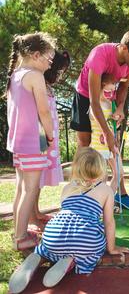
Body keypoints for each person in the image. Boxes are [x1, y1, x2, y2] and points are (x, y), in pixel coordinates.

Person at [8, 147, 129, 294]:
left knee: (47, 247)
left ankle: (39, 257)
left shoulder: (68, 188)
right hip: (84, 239)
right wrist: (112, 248)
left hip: (53, 234)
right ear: (101, 169)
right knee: (95, 242)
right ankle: (72, 261)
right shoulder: (106, 190)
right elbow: (109, 222)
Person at [70, 29, 129, 210]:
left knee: (113, 146)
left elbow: (123, 88)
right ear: (123, 48)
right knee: (85, 144)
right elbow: (93, 101)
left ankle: (120, 194)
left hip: (108, 100)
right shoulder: (100, 54)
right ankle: (77, 193)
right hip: (85, 96)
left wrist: (120, 107)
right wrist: (107, 132)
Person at [5, 32, 56, 250]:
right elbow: (43, 111)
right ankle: (20, 238)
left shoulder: (16, 74)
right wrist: (50, 134)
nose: (50, 63)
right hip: (34, 142)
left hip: (18, 142)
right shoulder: (35, 76)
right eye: (49, 59)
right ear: (36, 55)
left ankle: (18, 230)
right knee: (30, 190)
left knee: (20, 188)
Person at [29, 50, 71, 232]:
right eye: (60, 71)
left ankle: (36, 212)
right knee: (34, 178)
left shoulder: (47, 85)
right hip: (39, 136)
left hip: (48, 137)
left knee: (41, 176)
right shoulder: (37, 82)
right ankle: (31, 217)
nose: (60, 75)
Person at [89, 73, 129, 209]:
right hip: (99, 146)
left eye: (112, 91)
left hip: (112, 146)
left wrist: (118, 119)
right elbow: (97, 121)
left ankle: (107, 201)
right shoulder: (95, 104)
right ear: (99, 88)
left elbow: (115, 125)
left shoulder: (111, 104)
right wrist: (110, 122)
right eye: (107, 91)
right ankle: (98, 207)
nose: (110, 94)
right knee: (101, 179)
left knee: (119, 172)